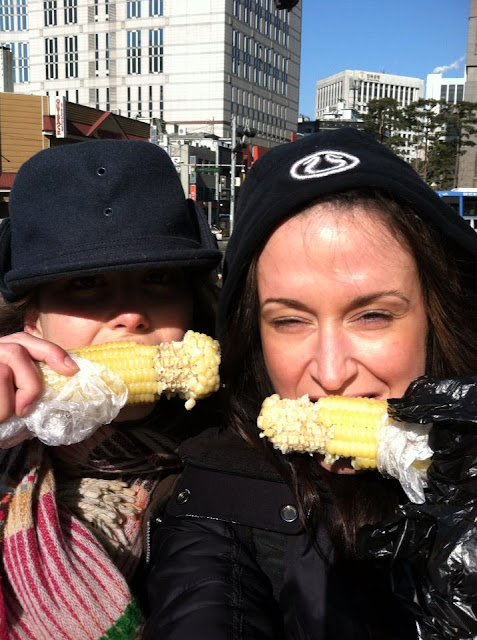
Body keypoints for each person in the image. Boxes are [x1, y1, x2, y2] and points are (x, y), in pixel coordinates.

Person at [144, 128, 477, 639]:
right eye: (290, 321)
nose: (331, 372)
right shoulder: (217, 498)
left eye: (372, 315)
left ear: (437, 316)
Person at [0, 139, 222, 639]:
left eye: (159, 277)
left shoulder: (244, 458)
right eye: (85, 284)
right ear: (33, 322)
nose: (130, 314)